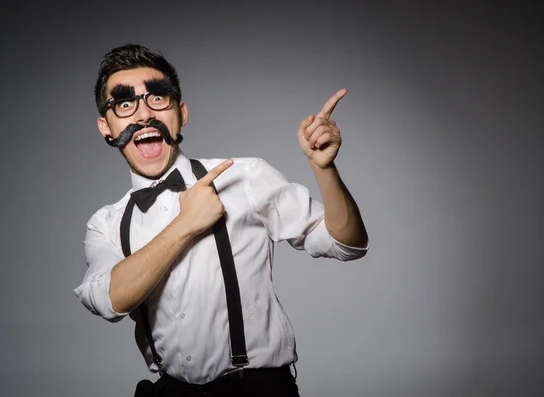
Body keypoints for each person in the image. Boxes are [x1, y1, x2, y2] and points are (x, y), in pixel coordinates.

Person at [74, 44, 369, 397]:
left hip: (258, 392)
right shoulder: (105, 224)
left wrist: (325, 171)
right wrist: (186, 224)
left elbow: (347, 243)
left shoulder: (245, 176)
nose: (143, 115)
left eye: (158, 99)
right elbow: (109, 302)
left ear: (180, 113)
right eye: (124, 104)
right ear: (105, 127)